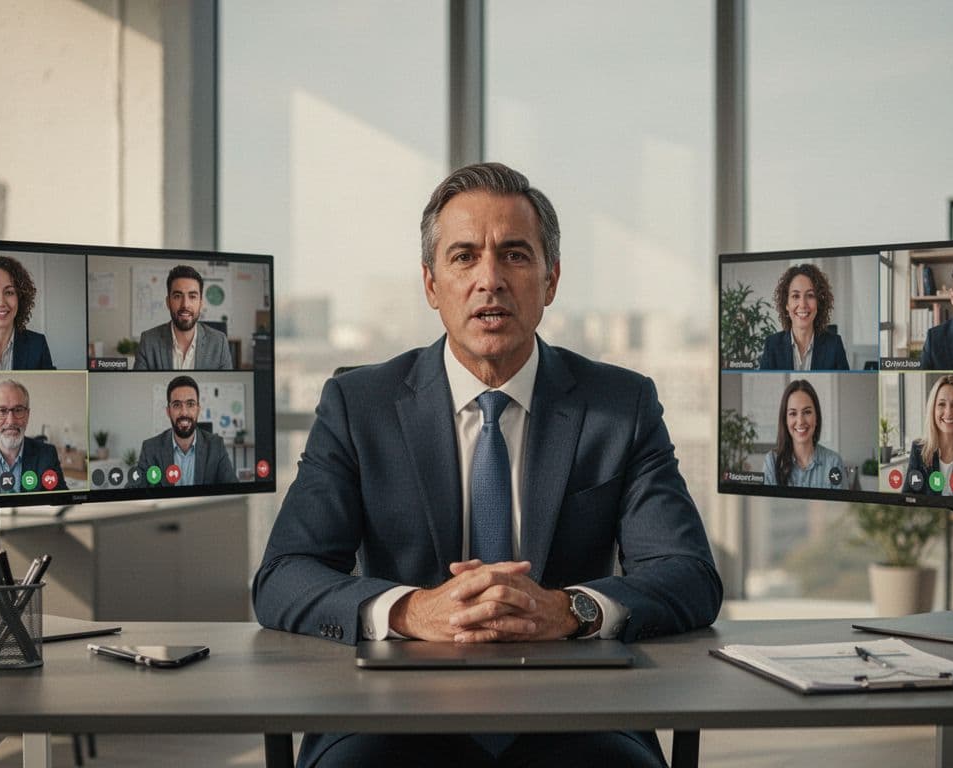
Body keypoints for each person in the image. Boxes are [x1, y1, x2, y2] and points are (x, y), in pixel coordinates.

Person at [252, 163, 721, 768]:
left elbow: (688, 574)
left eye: (515, 256)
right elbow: (284, 575)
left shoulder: (619, 405)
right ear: (431, 284)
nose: (490, 280)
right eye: (464, 257)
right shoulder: (358, 405)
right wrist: (411, 611)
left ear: (551, 280)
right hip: (391, 711)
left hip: (578, 710)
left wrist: (570, 610)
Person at [128, 375, 236, 488]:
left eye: (190, 404)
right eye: (177, 405)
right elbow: (134, 488)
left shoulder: (216, 446)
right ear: (168, 411)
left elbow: (233, 489)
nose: (184, 412)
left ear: (198, 410)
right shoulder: (150, 448)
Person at [132, 265, 234, 370]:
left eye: (192, 296)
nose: (185, 304)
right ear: (168, 302)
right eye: (177, 296)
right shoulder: (148, 341)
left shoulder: (219, 343)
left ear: (201, 303)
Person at [757, 263, 850, 370]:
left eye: (810, 295)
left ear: (819, 303)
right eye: (795, 296)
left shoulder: (834, 345)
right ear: (786, 304)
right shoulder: (772, 345)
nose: (802, 304)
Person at [761, 379, 845, 488]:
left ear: (816, 417)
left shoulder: (833, 462)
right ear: (785, 420)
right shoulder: (772, 461)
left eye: (807, 412)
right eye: (793, 413)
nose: (800, 421)